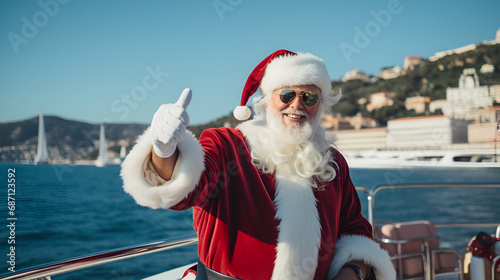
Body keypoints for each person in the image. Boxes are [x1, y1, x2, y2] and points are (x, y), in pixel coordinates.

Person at [121, 49, 395, 280]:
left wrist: (353, 272)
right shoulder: (225, 144)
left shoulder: (333, 162)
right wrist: (164, 150)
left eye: (310, 97)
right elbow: (185, 190)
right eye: (286, 95)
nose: (297, 104)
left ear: (320, 105)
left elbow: (355, 227)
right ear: (267, 101)